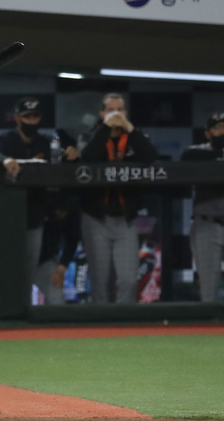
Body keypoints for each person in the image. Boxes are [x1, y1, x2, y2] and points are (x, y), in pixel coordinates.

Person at [0, 97, 77, 305]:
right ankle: (2, 321)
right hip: (4, 221)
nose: (31, 121)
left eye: (35, 116)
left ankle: (23, 321)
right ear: (17, 118)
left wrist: (71, 154)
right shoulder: (6, 140)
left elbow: (63, 158)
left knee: (26, 272)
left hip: (34, 218)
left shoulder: (46, 143)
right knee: (4, 272)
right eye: (27, 117)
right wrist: (5, 160)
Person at [79, 93, 158, 304]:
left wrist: (129, 129)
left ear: (126, 113)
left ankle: (125, 328)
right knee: (100, 281)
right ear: (102, 113)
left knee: (128, 280)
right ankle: (101, 329)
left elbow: (151, 157)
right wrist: (105, 129)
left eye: (120, 110)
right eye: (111, 110)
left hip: (126, 220)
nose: (116, 114)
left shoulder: (135, 136)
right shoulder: (90, 135)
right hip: (97, 218)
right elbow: (87, 158)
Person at [181, 112, 224, 302]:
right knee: (208, 290)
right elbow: (187, 157)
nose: (223, 131)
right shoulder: (198, 152)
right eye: (218, 127)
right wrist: (220, 154)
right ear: (208, 133)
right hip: (208, 224)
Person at [35, 195, 80, 305]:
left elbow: (72, 238)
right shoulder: (31, 195)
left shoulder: (67, 196)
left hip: (46, 259)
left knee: (57, 299)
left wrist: (61, 269)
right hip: (19, 258)